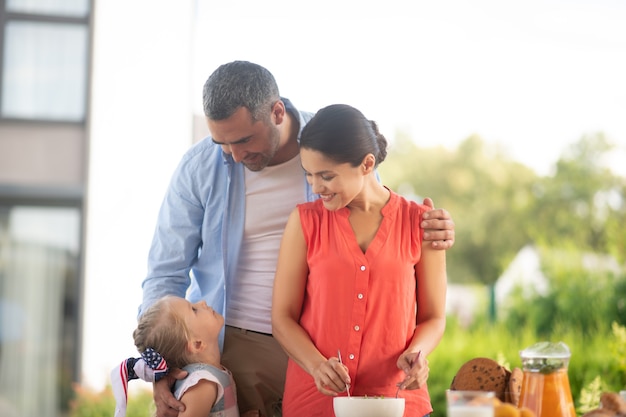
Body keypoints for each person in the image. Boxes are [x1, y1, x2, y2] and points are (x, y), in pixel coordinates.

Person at [140, 60, 455, 417]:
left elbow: (377, 209)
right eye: (222, 143)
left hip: (329, 348)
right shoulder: (200, 167)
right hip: (240, 347)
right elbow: (166, 271)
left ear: (277, 112)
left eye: (244, 139)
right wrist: (158, 363)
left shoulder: (332, 138)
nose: (235, 155)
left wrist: (428, 227)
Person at [271, 104, 448, 417]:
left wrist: (417, 353)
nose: (316, 187)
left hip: (396, 399)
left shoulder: (420, 223)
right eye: (309, 175)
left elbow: (434, 316)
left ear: (367, 165)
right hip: (315, 401)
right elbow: (282, 318)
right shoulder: (304, 222)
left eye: (327, 175)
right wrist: (316, 366)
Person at [112, 295, 239, 417]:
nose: (202, 302)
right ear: (196, 344)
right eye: (194, 309)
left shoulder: (209, 376)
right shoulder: (202, 385)